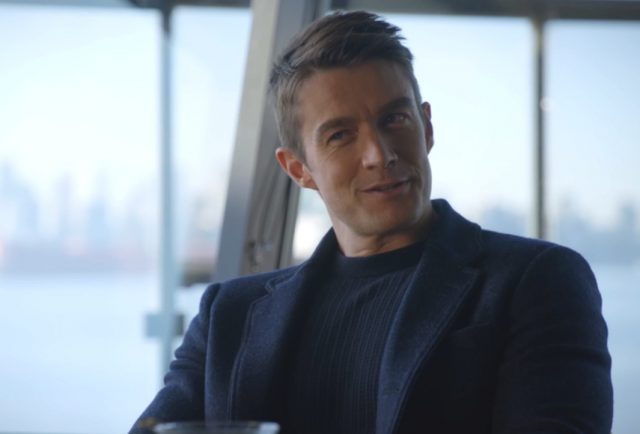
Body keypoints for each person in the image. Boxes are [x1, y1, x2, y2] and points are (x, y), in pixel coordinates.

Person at [131, 10, 613, 434]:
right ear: (298, 169)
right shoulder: (228, 316)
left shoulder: (538, 281)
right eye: (340, 135)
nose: (379, 155)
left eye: (394, 120)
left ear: (426, 127)